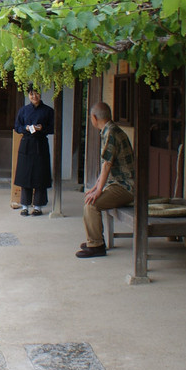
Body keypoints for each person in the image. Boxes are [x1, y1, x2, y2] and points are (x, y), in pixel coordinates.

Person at [79, 101, 136, 258]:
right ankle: (94, 240)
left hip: (126, 187)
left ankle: (96, 245)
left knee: (91, 205)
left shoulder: (111, 132)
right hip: (118, 184)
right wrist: (96, 186)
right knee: (90, 199)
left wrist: (98, 190)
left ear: (94, 117)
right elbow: (106, 164)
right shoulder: (110, 130)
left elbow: (107, 164)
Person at [14, 89, 54, 216]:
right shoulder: (23, 110)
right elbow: (17, 126)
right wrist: (25, 128)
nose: (34, 96)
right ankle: (24, 206)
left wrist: (42, 128)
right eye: (31, 94)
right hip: (26, 144)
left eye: (36, 93)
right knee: (25, 175)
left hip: (40, 144)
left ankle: (38, 206)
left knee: (40, 175)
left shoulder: (48, 111)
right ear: (28, 95)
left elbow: (53, 128)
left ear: (40, 94)